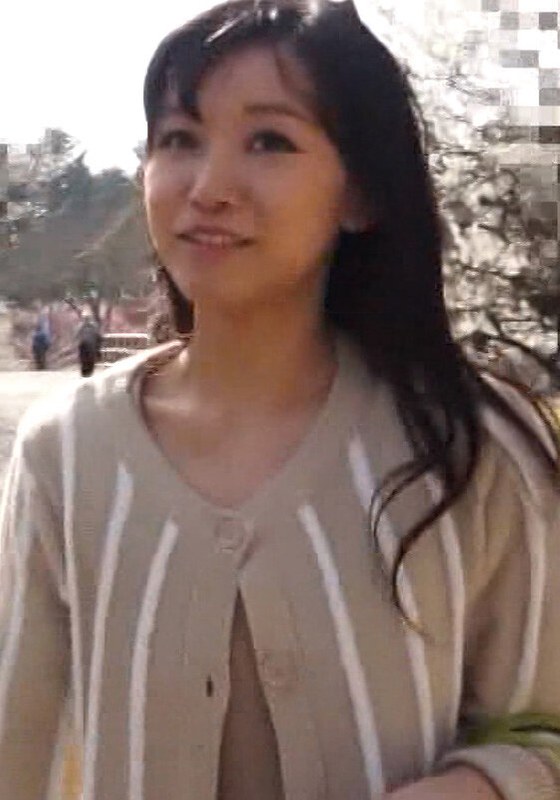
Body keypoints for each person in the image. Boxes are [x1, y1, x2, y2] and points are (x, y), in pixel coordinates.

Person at [1, 1, 559, 798]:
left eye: (269, 141)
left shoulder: (472, 446)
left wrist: (479, 787)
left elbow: (542, 724)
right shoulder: (66, 452)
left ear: (359, 194)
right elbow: (17, 743)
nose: (208, 187)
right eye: (179, 140)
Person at [76, 309, 102, 377]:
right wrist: (98, 346)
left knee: (84, 360)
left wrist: (78, 343)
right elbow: (99, 336)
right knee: (90, 360)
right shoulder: (94, 326)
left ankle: (85, 373)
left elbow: (77, 336)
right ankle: (89, 373)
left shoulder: (81, 326)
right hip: (91, 345)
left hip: (84, 345)